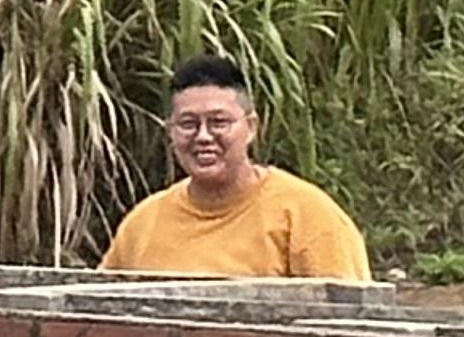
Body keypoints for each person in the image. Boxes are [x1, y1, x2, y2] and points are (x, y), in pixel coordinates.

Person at [100, 53, 369, 280]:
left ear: (251, 127)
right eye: (188, 124)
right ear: (170, 131)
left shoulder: (307, 216)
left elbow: (349, 327)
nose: (203, 137)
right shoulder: (143, 224)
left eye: (218, 122)